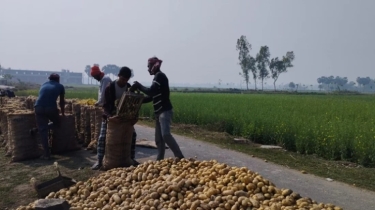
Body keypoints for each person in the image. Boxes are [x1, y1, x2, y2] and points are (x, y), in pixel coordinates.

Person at [132, 57, 184, 161]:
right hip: (158, 112)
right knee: (159, 140)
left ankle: (180, 157)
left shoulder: (159, 76)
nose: (148, 69)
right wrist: (137, 100)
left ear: (154, 66)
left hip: (164, 111)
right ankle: (159, 161)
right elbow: (152, 96)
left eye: (149, 66)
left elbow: (151, 91)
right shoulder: (156, 77)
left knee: (165, 135)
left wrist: (139, 86)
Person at [91, 66, 139, 170]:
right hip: (111, 115)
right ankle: (99, 161)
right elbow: (106, 106)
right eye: (122, 79)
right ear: (118, 76)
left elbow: (132, 104)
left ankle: (131, 158)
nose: (124, 81)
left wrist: (134, 117)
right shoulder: (110, 87)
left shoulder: (128, 87)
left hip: (124, 116)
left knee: (133, 135)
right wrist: (110, 117)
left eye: (126, 80)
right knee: (102, 137)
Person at [30, 73, 65, 160]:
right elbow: (61, 102)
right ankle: (39, 129)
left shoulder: (44, 84)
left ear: (49, 79)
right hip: (50, 108)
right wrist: (63, 113)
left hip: (38, 107)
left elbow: (43, 96)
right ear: (58, 79)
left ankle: (46, 154)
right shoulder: (60, 86)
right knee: (57, 124)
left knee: (43, 131)